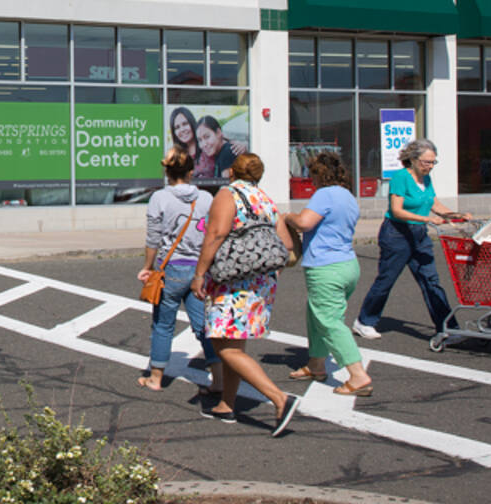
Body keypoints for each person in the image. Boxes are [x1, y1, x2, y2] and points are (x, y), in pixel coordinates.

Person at [190, 153, 302, 436]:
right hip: (260, 282)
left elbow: (215, 234)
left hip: (232, 280)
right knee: (235, 344)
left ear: (231, 173)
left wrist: (200, 273)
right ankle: (226, 405)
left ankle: (279, 398)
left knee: (223, 345)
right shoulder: (264, 199)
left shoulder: (228, 195)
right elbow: (285, 242)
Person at [280, 151, 372, 395]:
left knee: (329, 320)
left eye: (312, 175)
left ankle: (357, 374)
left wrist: (287, 216)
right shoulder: (348, 197)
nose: (311, 181)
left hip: (326, 267)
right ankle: (316, 364)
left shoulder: (324, 194)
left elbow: (304, 223)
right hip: (347, 264)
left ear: (319, 175)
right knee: (317, 314)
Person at [135, 146, 222, 394]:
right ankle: (218, 380)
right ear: (192, 171)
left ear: (167, 172)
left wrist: (147, 267)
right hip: (198, 270)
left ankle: (156, 377)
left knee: (163, 324)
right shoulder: (206, 198)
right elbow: (213, 234)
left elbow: (153, 239)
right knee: (203, 326)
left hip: (169, 268)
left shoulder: (159, 198)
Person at [353, 138, 458, 340]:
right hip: (397, 234)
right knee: (387, 279)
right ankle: (365, 321)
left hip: (419, 235)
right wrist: (427, 218)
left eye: (433, 162)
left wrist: (455, 215)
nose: (430, 166)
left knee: (431, 281)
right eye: (426, 162)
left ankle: (447, 326)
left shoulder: (426, 179)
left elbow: (434, 203)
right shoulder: (401, 177)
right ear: (413, 159)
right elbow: (397, 210)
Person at [194, 115, 246, 180]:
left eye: (207, 137)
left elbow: (226, 187)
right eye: (200, 140)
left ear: (218, 132)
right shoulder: (219, 152)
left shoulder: (227, 152)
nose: (204, 144)